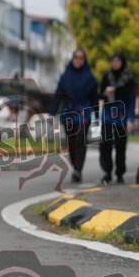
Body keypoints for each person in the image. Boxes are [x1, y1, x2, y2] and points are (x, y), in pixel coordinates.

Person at [50, 49, 97, 183]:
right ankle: (75, 166)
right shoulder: (65, 77)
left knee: (80, 140)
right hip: (68, 113)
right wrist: (52, 113)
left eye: (81, 58)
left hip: (84, 113)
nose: (78, 60)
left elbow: (94, 98)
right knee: (71, 141)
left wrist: (97, 114)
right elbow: (58, 96)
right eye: (76, 57)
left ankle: (78, 170)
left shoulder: (90, 78)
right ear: (72, 59)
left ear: (84, 60)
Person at [99, 52, 136, 185]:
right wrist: (104, 94)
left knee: (121, 146)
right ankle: (107, 172)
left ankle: (120, 173)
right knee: (105, 145)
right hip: (107, 116)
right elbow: (100, 95)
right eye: (113, 61)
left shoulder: (129, 79)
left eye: (117, 61)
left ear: (122, 62)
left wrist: (132, 118)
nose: (115, 63)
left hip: (121, 116)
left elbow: (132, 99)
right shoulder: (107, 76)